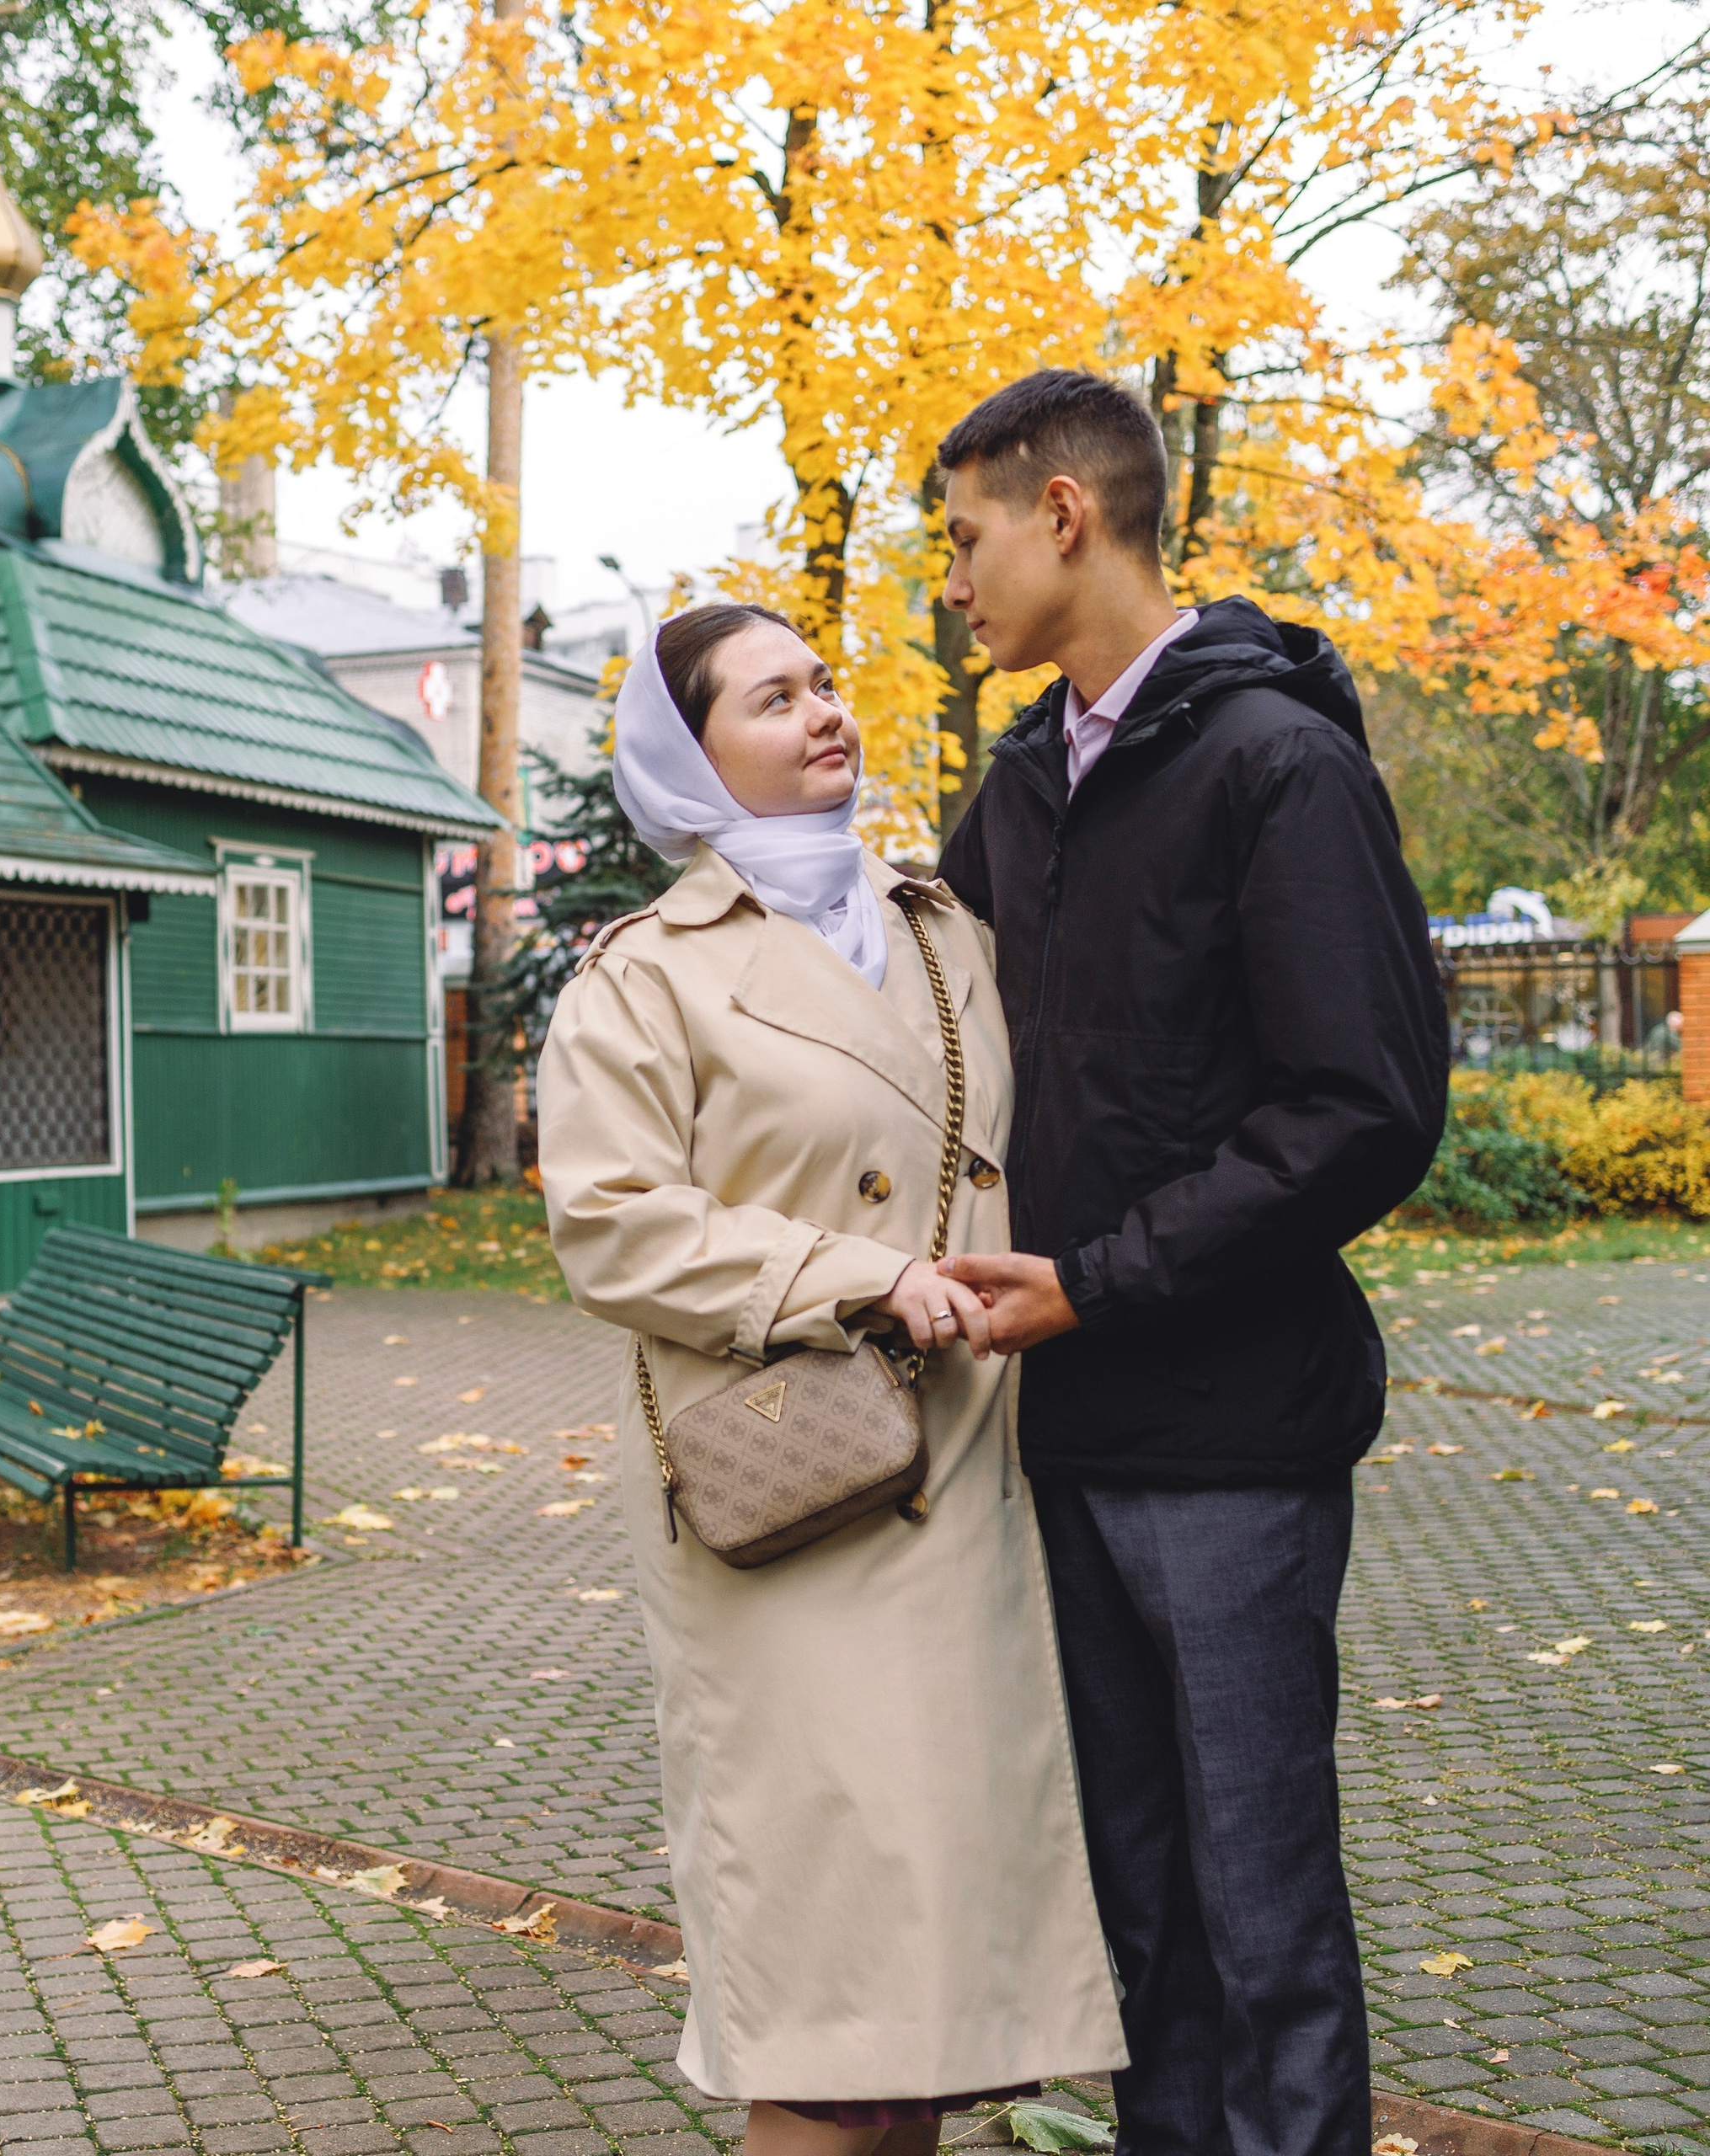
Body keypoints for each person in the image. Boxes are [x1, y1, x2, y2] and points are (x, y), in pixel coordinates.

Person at [931, 369, 1451, 2156]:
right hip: (1059, 1441)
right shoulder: (1011, 792)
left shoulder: (1274, 763)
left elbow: (1360, 1106)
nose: (953, 580)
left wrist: (1099, 1275)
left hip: (1229, 1443)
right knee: (1137, 1918)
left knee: (1259, 1921)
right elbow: (914, 1040)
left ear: (1063, 513)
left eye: (966, 535)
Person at [537, 602, 1126, 2156]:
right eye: (771, 698)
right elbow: (612, 1230)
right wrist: (864, 1279)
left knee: (923, 2012)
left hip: (973, 1477)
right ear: (691, 757)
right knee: (834, 2010)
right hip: (792, 1498)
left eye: (824, 685)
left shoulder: (941, 927)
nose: (822, 715)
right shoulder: (642, 978)